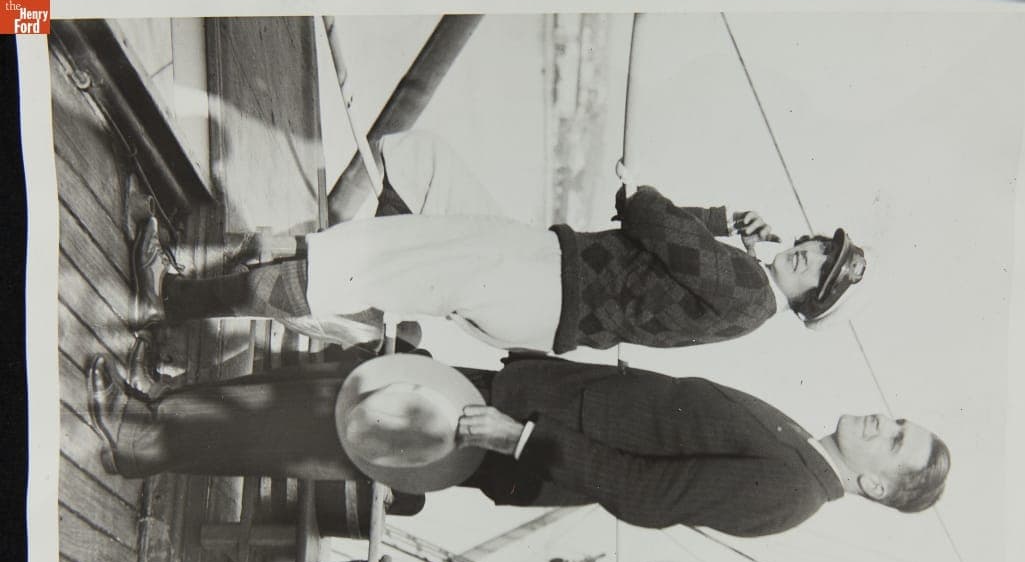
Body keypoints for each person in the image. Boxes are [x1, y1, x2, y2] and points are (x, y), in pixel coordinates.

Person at [86, 348, 949, 537]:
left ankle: (142, 444)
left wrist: (524, 436)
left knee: (324, 434)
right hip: (525, 403)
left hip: (516, 435)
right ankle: (156, 403)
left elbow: (644, 496)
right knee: (338, 387)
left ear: (876, 487)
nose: (886, 417)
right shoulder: (797, 442)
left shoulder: (790, 493)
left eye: (897, 440)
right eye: (901, 417)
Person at [128, 134, 866, 355]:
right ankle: (300, 278)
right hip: (540, 268)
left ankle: (180, 298)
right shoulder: (743, 286)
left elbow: (656, 230)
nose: (807, 256)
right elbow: (672, 262)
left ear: (807, 300)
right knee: (414, 162)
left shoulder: (750, 294)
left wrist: (639, 190)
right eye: (816, 246)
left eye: (819, 272)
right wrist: (725, 217)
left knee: (363, 269)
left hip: (540, 286)